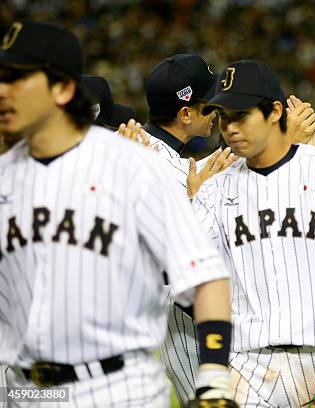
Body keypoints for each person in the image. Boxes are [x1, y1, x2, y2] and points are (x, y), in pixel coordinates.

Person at [0, 20, 235, 406]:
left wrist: (211, 375)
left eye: (17, 78)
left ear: (61, 89)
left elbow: (205, 276)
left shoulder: (135, 164)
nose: (3, 91)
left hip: (118, 387)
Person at [194, 59, 315, 406]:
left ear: (274, 111)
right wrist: (212, 367)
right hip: (246, 364)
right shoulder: (214, 191)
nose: (230, 128)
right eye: (223, 117)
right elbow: (203, 284)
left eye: (241, 115)